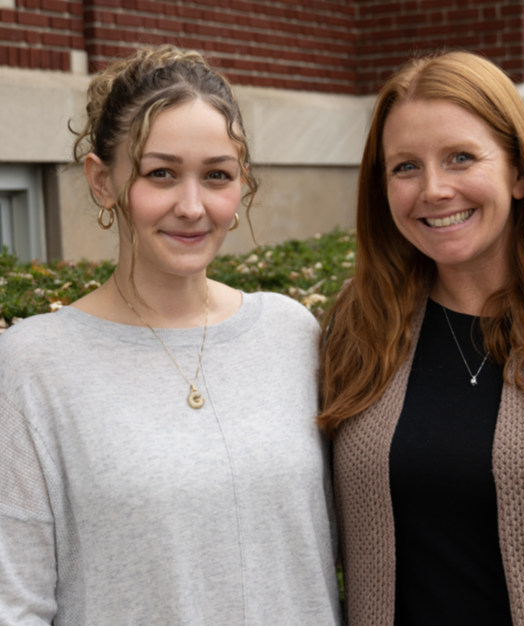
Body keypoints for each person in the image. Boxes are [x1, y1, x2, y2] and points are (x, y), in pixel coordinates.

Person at [0, 45, 340, 626]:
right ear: (103, 181)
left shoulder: (291, 333)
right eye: (161, 174)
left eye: (217, 176)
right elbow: (16, 602)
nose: (192, 206)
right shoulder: (35, 364)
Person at [319, 50, 524, 626]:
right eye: (405, 167)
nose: (434, 190)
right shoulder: (358, 332)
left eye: (461, 157)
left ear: (518, 171)